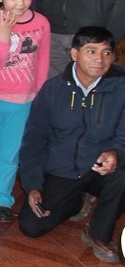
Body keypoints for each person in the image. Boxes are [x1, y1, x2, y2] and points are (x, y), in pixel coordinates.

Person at [18, 26, 125, 263]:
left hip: (101, 167)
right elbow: (34, 140)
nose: (100, 59)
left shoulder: (121, 87)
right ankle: (76, 201)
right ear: (75, 54)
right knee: (31, 226)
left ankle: (98, 231)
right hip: (63, 169)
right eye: (92, 51)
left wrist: (117, 153)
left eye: (107, 52)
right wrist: (33, 184)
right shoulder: (53, 89)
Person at [0, 0, 49, 223]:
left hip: (23, 101)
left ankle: (1, 198)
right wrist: (4, 36)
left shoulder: (41, 23)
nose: (20, 4)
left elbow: (42, 61)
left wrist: (37, 95)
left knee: (11, 152)